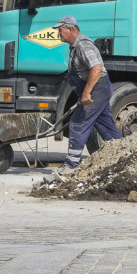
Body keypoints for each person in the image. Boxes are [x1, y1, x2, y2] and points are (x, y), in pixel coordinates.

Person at [49, 16, 122, 181]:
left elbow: (96, 68)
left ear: (71, 29)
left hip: (97, 89)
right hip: (99, 90)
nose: (58, 33)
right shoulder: (75, 47)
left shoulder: (83, 45)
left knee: (78, 123)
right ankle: (124, 157)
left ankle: (72, 165)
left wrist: (87, 92)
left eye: (60, 30)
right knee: (106, 126)